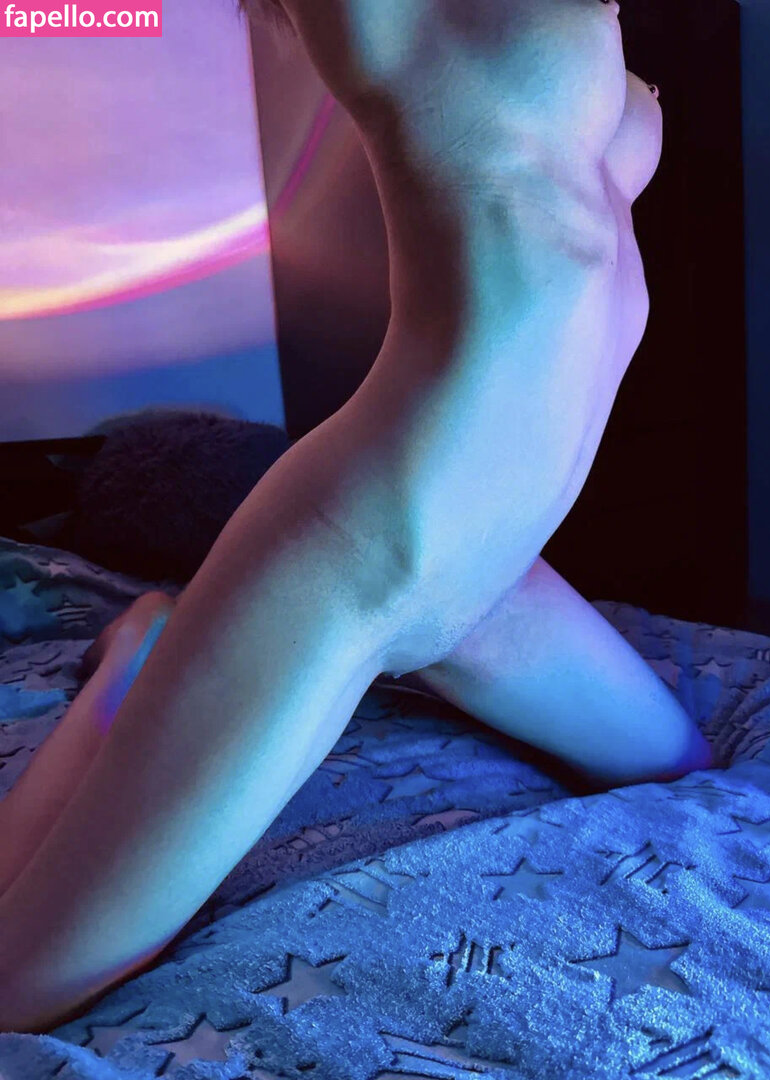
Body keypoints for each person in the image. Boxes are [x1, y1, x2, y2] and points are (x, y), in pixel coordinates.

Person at [0, 0, 712, 1033]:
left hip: (489, 576)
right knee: (19, 990)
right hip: (361, 556)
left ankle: (166, 640)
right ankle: (136, 659)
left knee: (683, 772)